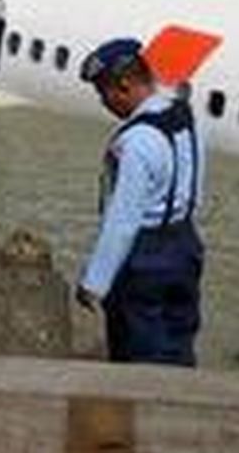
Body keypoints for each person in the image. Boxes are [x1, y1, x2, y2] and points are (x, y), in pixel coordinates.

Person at [74, 38, 204, 365]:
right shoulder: (183, 116)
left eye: (103, 93)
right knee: (178, 341)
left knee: (138, 351)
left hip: (145, 258)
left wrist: (94, 283)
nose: (104, 103)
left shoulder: (136, 143)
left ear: (124, 84)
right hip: (186, 245)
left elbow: (123, 221)